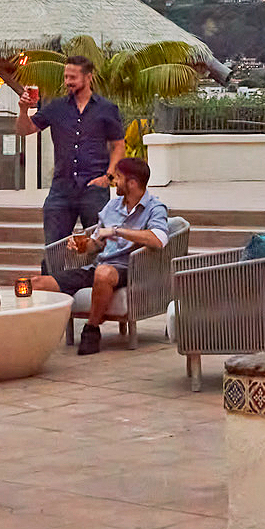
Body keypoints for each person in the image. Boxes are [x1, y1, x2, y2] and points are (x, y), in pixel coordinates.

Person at [53, 155, 168, 355]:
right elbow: (96, 244)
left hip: (129, 268)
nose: (114, 182)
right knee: (38, 283)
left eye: (118, 177)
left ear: (131, 183)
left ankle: (92, 329)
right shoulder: (112, 206)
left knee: (104, 273)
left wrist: (117, 231)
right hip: (98, 265)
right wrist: (81, 246)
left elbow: (159, 239)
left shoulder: (154, 208)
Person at [18, 53, 126, 252]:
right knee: (54, 248)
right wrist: (23, 111)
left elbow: (119, 146)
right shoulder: (56, 107)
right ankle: (52, 282)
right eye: (66, 77)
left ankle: (95, 282)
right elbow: (25, 130)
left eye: (73, 77)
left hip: (94, 188)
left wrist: (108, 177)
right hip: (61, 188)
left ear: (88, 77)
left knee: (100, 246)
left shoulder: (107, 109)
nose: (68, 82)